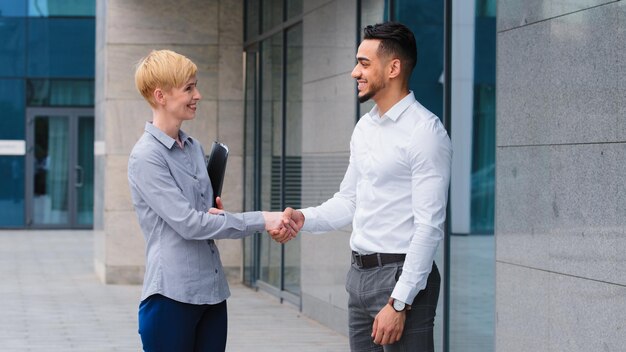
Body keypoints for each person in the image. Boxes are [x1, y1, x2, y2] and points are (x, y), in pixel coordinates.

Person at [275, 22, 452, 351]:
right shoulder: (366, 127)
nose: (354, 72)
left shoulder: (425, 132)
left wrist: (399, 302)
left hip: (401, 278)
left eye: (364, 63)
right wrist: (304, 217)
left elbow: (429, 226)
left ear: (394, 68)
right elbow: (349, 200)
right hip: (359, 277)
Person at [128, 49, 296, 352]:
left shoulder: (193, 147)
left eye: (196, 86)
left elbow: (205, 215)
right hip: (171, 296)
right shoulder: (146, 157)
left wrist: (216, 213)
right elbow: (190, 224)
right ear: (160, 96)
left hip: (213, 292)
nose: (198, 95)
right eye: (189, 88)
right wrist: (262, 219)